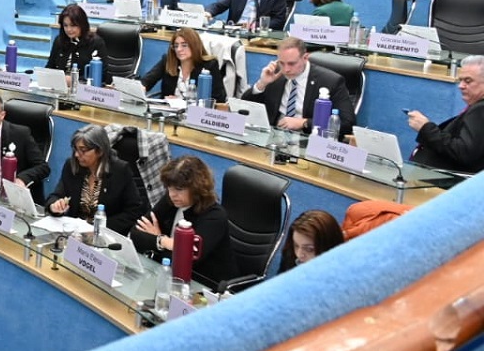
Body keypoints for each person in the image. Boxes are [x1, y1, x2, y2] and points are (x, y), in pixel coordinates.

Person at [132, 155, 238, 288]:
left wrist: (157, 240)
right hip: (168, 277)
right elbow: (135, 234)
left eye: (179, 189)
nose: (172, 194)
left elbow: (183, 264)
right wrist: (164, 241)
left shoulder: (215, 216)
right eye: (169, 188)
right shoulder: (170, 201)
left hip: (206, 287)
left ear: (196, 188)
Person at [243, 37, 357, 134]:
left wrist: (304, 122)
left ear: (305, 58)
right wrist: (262, 84)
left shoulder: (331, 81)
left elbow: (347, 123)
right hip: (274, 138)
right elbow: (243, 108)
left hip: (308, 142)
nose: (286, 69)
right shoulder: (276, 75)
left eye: (292, 64)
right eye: (282, 63)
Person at [45, 125, 144, 235]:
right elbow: (56, 195)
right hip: (76, 234)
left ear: (100, 151)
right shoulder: (72, 165)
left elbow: (134, 211)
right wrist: (54, 206)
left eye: (83, 150)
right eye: (75, 149)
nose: (77, 155)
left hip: (107, 235)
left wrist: (98, 228)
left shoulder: (120, 170)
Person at [407, 55, 484, 175]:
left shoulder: (480, 109)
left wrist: (425, 128)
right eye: (461, 80)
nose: (461, 86)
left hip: (444, 185)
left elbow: (464, 152)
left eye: (468, 81)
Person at [141, 27, 227, 103]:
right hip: (169, 114)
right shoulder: (168, 61)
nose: (179, 49)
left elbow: (219, 99)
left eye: (184, 45)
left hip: (198, 115)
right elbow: (146, 81)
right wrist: (142, 87)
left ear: (194, 46)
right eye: (176, 46)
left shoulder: (209, 65)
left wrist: (180, 102)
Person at [45, 3, 110, 84]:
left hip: (84, 89)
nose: (69, 29)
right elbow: (50, 67)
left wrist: (74, 80)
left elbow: (102, 75)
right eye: (65, 25)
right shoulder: (59, 40)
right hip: (59, 87)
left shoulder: (96, 42)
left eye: (73, 25)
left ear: (82, 25)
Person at [278, 210, 344, 272]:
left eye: (309, 249)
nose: (299, 255)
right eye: (296, 245)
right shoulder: (290, 253)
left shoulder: (342, 273)